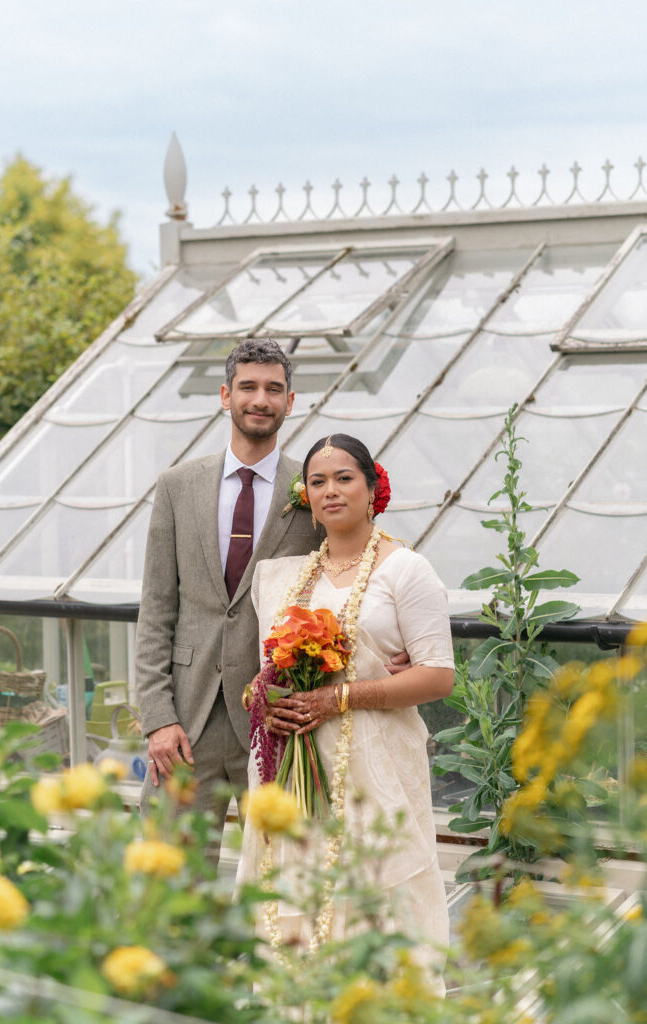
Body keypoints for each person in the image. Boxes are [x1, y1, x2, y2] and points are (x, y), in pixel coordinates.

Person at [238, 433, 454, 981]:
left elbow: (438, 676)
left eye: (343, 478)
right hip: (294, 773)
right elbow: (262, 675)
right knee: (296, 905)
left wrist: (340, 697)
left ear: (372, 487)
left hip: (376, 771)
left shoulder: (405, 569)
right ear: (306, 498)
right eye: (317, 482)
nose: (330, 490)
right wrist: (264, 702)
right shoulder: (287, 576)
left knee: (374, 906)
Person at [134, 338, 322, 842]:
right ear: (225, 395)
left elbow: (350, 579)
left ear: (290, 401)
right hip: (185, 723)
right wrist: (157, 719)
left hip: (277, 720)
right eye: (248, 387)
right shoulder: (177, 486)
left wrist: (389, 648)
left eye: (273, 389)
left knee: (280, 876)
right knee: (172, 875)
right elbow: (156, 610)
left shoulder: (314, 490)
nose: (260, 399)